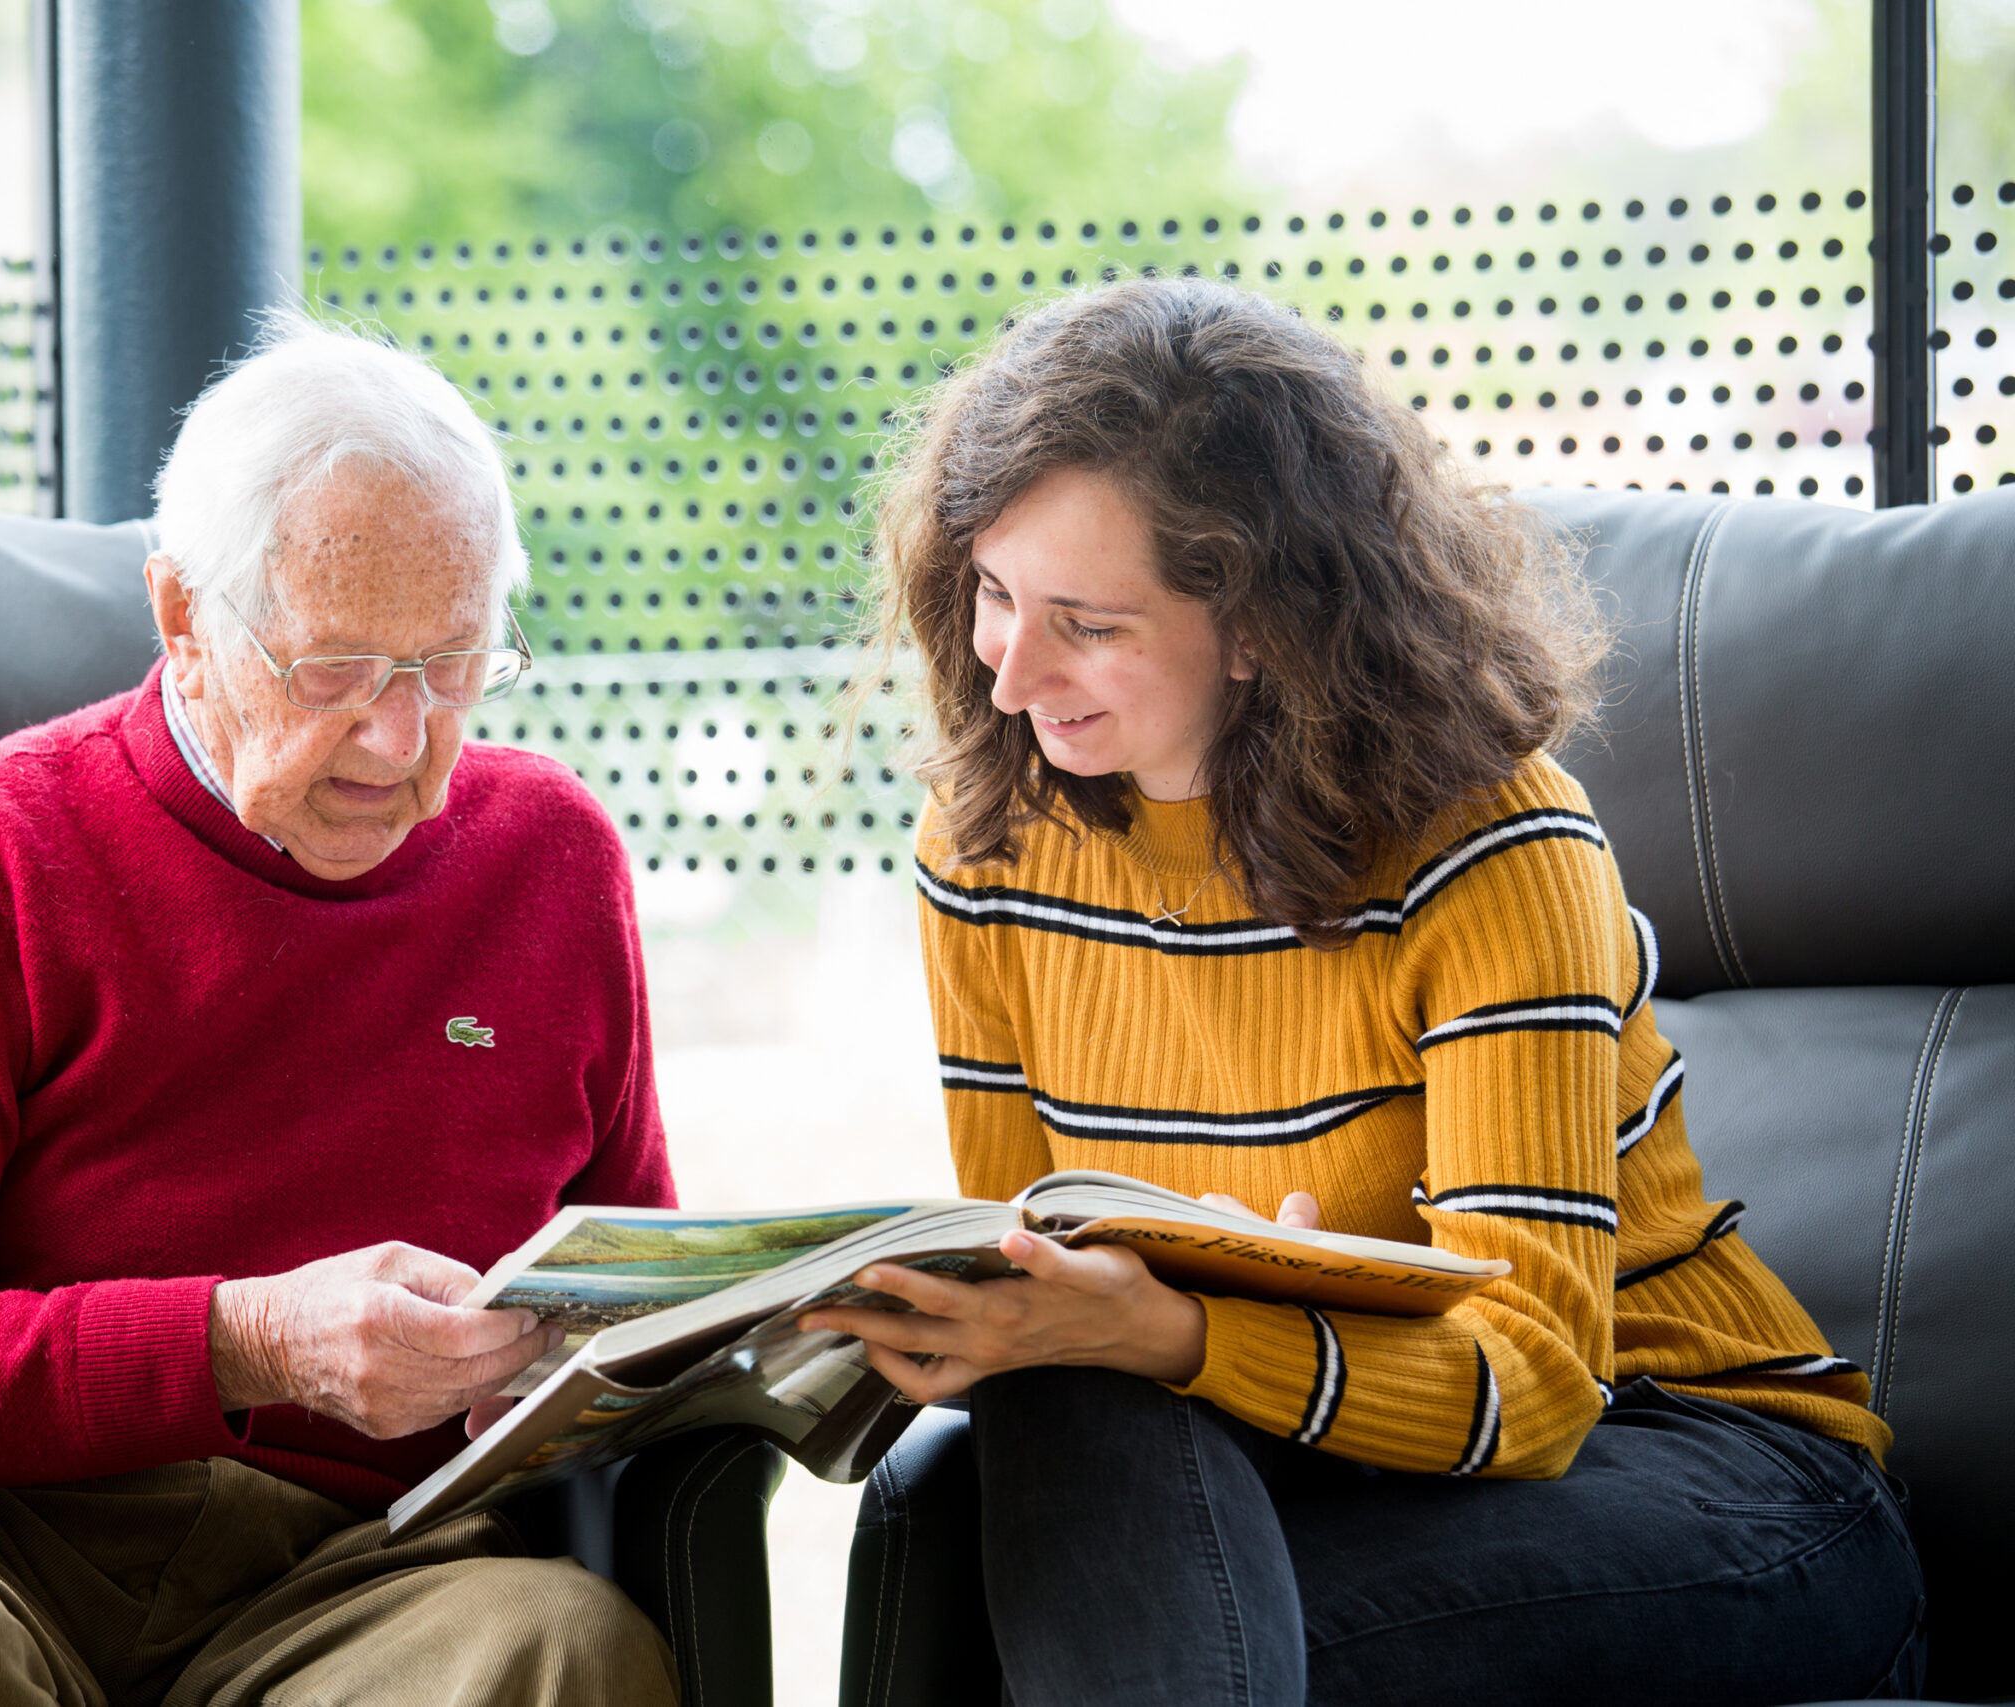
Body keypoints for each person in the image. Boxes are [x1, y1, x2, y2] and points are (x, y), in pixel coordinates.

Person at [804, 276, 1925, 1706]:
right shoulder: (988, 852)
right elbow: (1048, 1276)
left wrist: (1174, 1328)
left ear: (1265, 622)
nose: (1011, 673)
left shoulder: (1494, 845)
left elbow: (1535, 1379)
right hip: (1324, 1455)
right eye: (994, 596)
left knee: (1146, 1634)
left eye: (1086, 621)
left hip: (1700, 1463)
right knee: (1001, 1470)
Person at [0, 319, 681, 1706]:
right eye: (338, 670)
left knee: (559, 1650)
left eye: (452, 663)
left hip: (340, 1574)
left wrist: (629, 1360)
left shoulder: (549, 856)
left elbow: (639, 1290)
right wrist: (245, 1341)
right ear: (185, 619)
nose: (400, 739)